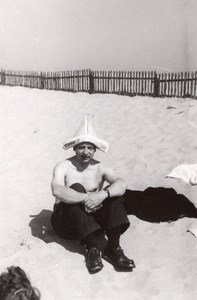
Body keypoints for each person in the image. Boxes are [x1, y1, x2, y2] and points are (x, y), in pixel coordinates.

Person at [51, 117, 136, 274]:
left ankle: (113, 247)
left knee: (113, 194)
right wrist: (86, 198)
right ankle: (93, 250)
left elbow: (122, 184)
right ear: (74, 148)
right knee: (76, 187)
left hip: (91, 218)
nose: (85, 152)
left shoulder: (100, 167)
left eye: (90, 148)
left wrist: (102, 194)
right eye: (81, 147)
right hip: (66, 223)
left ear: (95, 149)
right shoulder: (63, 166)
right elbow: (57, 190)